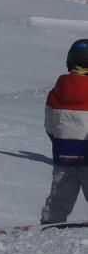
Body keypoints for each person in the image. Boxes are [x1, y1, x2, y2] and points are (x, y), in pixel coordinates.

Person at [41, 39, 88, 224]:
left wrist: (60, 141)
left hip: (63, 155)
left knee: (59, 199)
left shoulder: (55, 92)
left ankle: (50, 224)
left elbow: (49, 125)